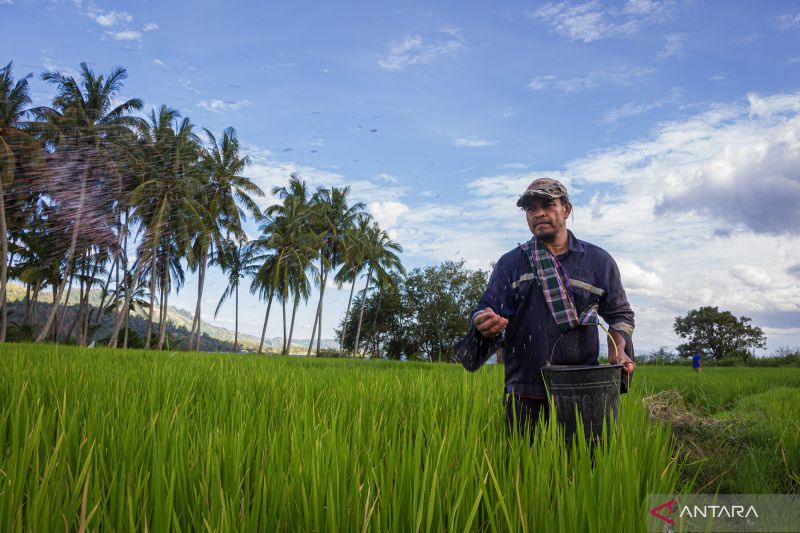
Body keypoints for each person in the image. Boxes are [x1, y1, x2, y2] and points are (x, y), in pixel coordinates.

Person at [454, 178, 636, 433]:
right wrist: (483, 322)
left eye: (548, 204)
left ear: (567, 210)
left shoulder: (599, 262)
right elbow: (487, 308)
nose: (538, 213)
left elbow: (620, 315)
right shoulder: (511, 264)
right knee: (523, 467)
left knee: (584, 467)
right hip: (523, 391)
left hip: (582, 389)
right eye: (530, 208)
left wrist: (617, 349)